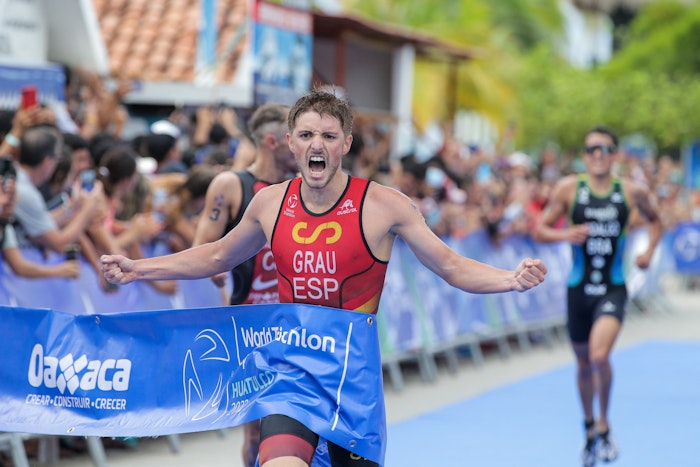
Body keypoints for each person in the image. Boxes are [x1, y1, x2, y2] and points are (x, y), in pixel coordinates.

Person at [101, 89, 547, 467]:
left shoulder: (385, 206)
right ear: (291, 143)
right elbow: (217, 255)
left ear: (345, 144)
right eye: (307, 135)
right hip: (291, 374)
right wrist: (139, 268)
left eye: (329, 136)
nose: (318, 144)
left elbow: (451, 265)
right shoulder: (269, 204)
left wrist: (511, 278)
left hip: (352, 381)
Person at [532, 125, 662, 467]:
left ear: (615, 154)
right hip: (578, 289)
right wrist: (565, 235)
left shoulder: (630, 191)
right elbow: (540, 229)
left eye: (604, 148)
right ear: (584, 155)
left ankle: (604, 422)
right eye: (591, 149)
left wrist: (648, 253)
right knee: (583, 363)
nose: (598, 155)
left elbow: (657, 220)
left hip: (613, 287)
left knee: (599, 355)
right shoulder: (569, 189)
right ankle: (589, 427)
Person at [192, 102, 297, 467]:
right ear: (272, 141)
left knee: (298, 425)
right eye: (293, 138)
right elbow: (203, 244)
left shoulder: (302, 188)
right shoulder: (231, 185)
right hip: (249, 326)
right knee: (255, 432)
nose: (301, 146)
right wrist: (215, 269)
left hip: (294, 323)